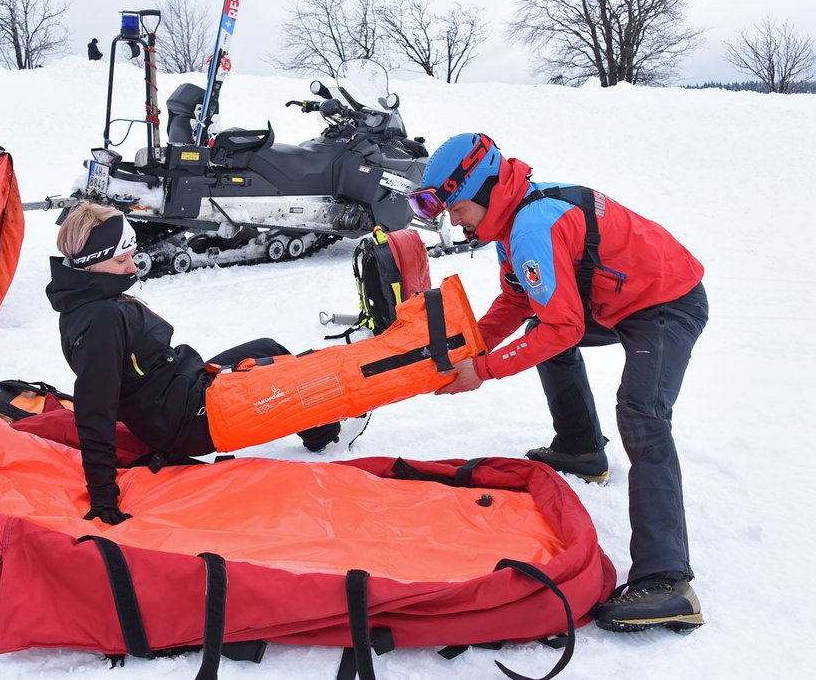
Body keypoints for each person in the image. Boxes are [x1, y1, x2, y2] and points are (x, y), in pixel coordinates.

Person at [408, 133, 708, 634]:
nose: (453, 222)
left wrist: (482, 371)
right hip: (620, 300)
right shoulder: (510, 223)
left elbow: (563, 326)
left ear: (482, 189)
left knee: (642, 414)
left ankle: (667, 581)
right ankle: (580, 449)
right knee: (539, 328)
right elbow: (521, 300)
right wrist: (471, 346)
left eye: (456, 208)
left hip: (667, 303)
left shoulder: (531, 227)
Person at [46, 203, 365, 525]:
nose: (132, 267)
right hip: (188, 420)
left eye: (130, 255)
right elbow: (94, 407)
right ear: (91, 262)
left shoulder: (87, 298)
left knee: (269, 350)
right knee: (280, 371)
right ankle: (327, 436)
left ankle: (321, 431)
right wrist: (103, 494)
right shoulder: (101, 319)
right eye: (120, 260)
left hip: (182, 391)